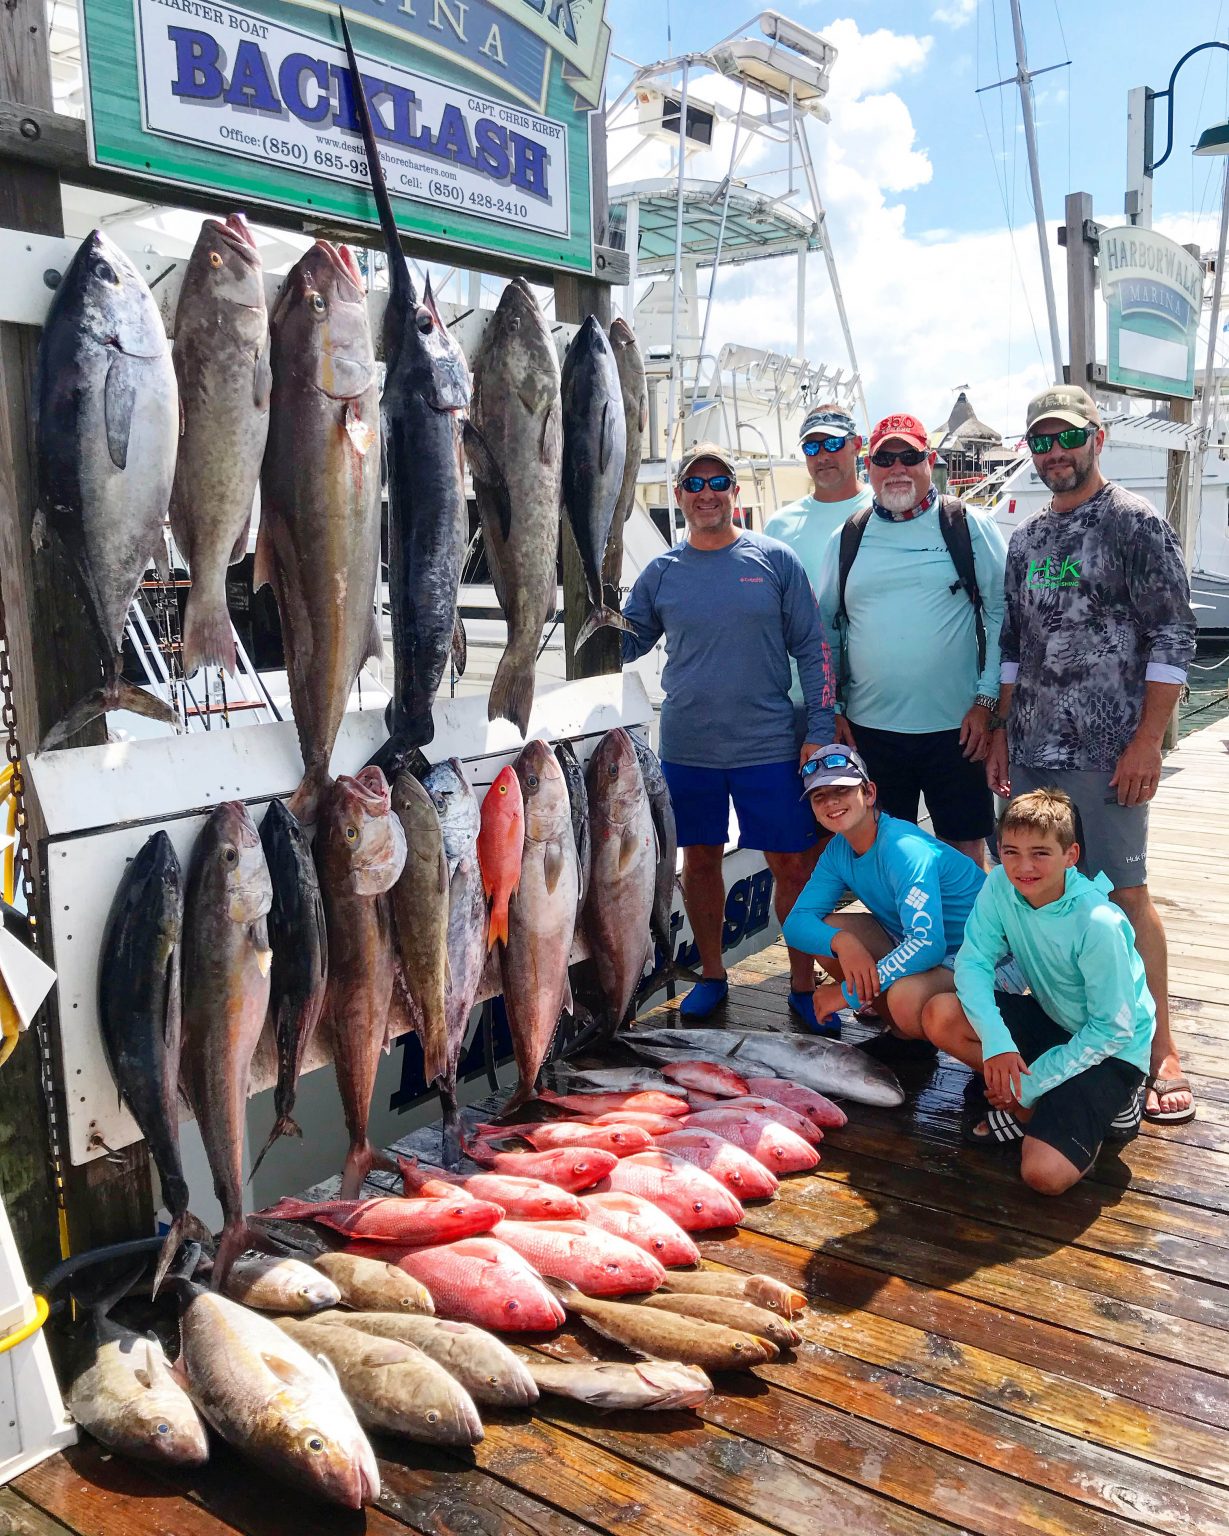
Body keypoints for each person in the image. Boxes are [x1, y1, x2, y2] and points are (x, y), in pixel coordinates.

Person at [986, 385, 1197, 1127]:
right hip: (1031, 748)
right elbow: (1013, 645)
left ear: (1096, 438)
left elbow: (1174, 635)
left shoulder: (1135, 523)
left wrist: (1147, 740)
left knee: (1124, 896)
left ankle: (1161, 1048)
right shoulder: (1026, 539)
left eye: (1066, 437)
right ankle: (1076, 1031)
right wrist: (1001, 729)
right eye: (1040, 441)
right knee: (1037, 893)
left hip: (1108, 754)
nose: (1054, 453)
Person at [621, 443, 836, 1028]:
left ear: (735, 492)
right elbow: (625, 642)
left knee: (792, 865)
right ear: (678, 496)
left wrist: (819, 728)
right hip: (688, 747)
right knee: (699, 861)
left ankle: (801, 982)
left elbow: (813, 648)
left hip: (767, 743)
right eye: (694, 484)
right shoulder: (661, 572)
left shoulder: (775, 559)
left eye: (719, 482)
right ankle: (712, 974)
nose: (707, 493)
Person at [922, 790, 1154, 1194]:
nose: (1023, 866)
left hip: (1114, 1050)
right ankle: (1040, 1109)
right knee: (940, 1014)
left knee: (1043, 1175)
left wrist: (1029, 1086)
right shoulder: (1000, 884)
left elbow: (1113, 1030)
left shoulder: (1099, 922)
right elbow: (973, 963)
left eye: (1040, 853)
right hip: (1054, 1020)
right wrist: (996, 1042)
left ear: (1071, 855)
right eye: (1010, 852)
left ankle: (1109, 1101)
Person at [817, 413, 1007, 867]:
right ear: (868, 465)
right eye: (885, 459)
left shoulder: (967, 524)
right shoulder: (848, 536)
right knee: (885, 856)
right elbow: (826, 629)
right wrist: (834, 708)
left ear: (930, 460)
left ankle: (966, 921)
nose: (897, 468)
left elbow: (1003, 615)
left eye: (909, 456)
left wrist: (987, 703)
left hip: (957, 728)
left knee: (964, 853)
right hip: (870, 731)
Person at [782, 745, 987, 1044]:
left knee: (906, 998)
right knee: (830, 932)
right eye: (819, 796)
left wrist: (846, 994)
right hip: (933, 947)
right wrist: (843, 943)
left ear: (869, 793)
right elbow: (796, 923)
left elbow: (927, 944)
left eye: (842, 790)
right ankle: (906, 1038)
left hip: (990, 956)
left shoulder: (902, 847)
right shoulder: (838, 850)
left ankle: (996, 1053)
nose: (831, 802)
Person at [763, 404, 872, 576]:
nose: (822, 457)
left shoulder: (886, 510)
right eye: (811, 447)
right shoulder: (777, 526)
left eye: (833, 443)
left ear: (857, 446)